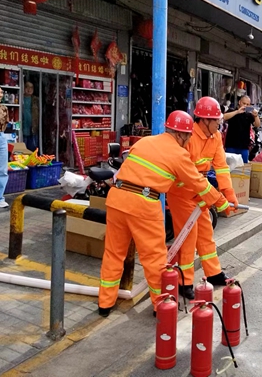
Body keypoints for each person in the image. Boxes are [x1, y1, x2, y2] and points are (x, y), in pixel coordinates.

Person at [98, 110, 231, 317]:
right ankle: (161, 305)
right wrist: (222, 203)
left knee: (114, 253)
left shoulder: (144, 142)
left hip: (116, 199)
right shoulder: (179, 154)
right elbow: (199, 184)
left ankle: (105, 304)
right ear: (181, 135)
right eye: (188, 137)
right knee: (154, 258)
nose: (188, 142)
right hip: (143, 205)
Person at [167, 98, 238, 299]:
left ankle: (214, 273)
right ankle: (184, 282)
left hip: (201, 190)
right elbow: (187, 174)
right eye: (217, 120)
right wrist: (216, 198)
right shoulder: (189, 136)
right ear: (205, 120)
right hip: (181, 193)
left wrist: (229, 193)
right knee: (188, 237)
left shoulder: (215, 137)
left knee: (206, 233)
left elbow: (221, 167)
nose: (220, 124)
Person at [223, 95, 261, 163]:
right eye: (244, 103)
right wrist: (237, 112)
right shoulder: (232, 110)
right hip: (231, 145)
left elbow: (257, 125)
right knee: (229, 167)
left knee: (244, 168)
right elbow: (224, 117)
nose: (245, 105)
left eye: (247, 104)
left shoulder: (249, 115)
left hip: (244, 147)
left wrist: (256, 116)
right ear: (239, 102)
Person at [22, 81, 40, 152]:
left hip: (33, 128)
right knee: (22, 151)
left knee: (32, 150)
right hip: (22, 128)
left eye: (31, 87)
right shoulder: (20, 98)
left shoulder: (36, 100)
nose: (29, 89)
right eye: (27, 87)